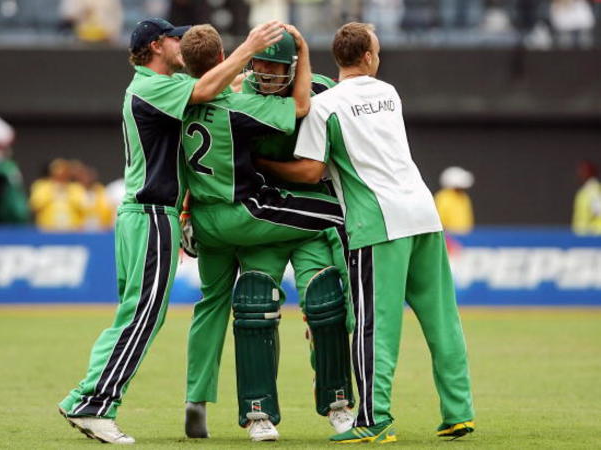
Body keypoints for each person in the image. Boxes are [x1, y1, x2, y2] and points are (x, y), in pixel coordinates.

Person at [57, 17, 287, 444]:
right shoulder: (150, 85)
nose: (182, 45)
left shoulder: (149, 87)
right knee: (143, 316)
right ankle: (93, 403)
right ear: (158, 45)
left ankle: (87, 397)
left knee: (132, 315)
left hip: (141, 216)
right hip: (149, 215)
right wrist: (249, 47)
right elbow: (203, 90)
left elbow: (208, 92)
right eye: (176, 38)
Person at [257, 22, 475, 443]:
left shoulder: (326, 106)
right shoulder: (389, 93)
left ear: (338, 58)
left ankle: (374, 419)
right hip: (423, 213)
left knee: (376, 327)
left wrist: (263, 165)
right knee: (443, 321)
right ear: (370, 58)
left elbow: (311, 170)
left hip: (379, 222)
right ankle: (458, 412)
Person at [182, 27, 355, 441]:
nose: (268, 71)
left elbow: (318, 166)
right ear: (251, 61)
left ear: (294, 65)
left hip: (306, 218)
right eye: (262, 63)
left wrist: (262, 164)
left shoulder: (322, 91)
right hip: (264, 222)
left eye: (278, 65)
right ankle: (259, 412)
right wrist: (188, 205)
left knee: (326, 301)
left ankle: (339, 402)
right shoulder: (240, 96)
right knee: (254, 303)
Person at [29, 158, 87, 231]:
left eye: (63, 171)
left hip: (72, 230)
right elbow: (35, 205)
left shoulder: (76, 188)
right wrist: (52, 193)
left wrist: (67, 193)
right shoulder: (42, 186)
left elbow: (83, 206)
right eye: (57, 170)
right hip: (47, 230)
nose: (60, 173)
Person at [434, 166, 475, 234]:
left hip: (465, 238)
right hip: (450, 238)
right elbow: (439, 221)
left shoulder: (464, 197)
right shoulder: (443, 197)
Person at [572, 160, 601, 235]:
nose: (580, 173)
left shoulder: (594, 190)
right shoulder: (586, 190)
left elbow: (599, 211)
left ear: (592, 172)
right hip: (584, 236)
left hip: (593, 237)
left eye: (584, 170)